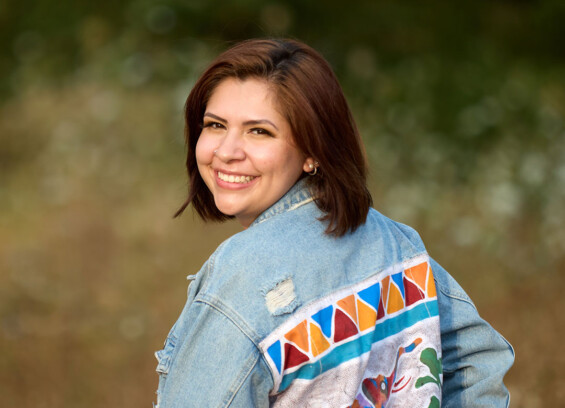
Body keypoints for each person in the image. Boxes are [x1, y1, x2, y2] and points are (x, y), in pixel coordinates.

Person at [155, 38, 514, 408]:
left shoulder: (242, 277)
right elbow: (479, 361)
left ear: (313, 150)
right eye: (215, 125)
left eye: (258, 131)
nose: (226, 151)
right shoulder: (392, 242)